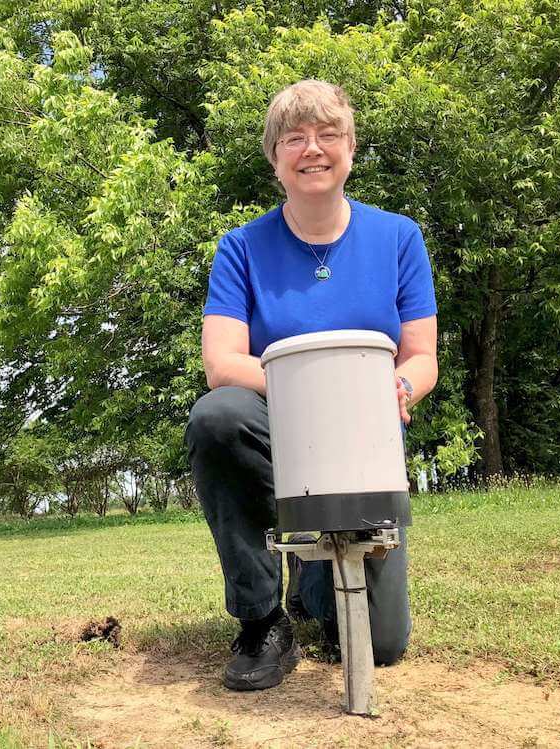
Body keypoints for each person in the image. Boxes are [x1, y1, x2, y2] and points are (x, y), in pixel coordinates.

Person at [185, 80, 438, 692]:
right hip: (277, 426)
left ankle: (318, 580)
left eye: (328, 135)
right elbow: (222, 363)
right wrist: (325, 386)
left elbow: (422, 357)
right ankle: (261, 618)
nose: (312, 149)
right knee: (216, 417)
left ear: (350, 149)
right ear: (275, 159)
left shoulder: (399, 238)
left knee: (382, 645)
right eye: (294, 138)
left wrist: (394, 388)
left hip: (363, 443)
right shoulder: (241, 247)